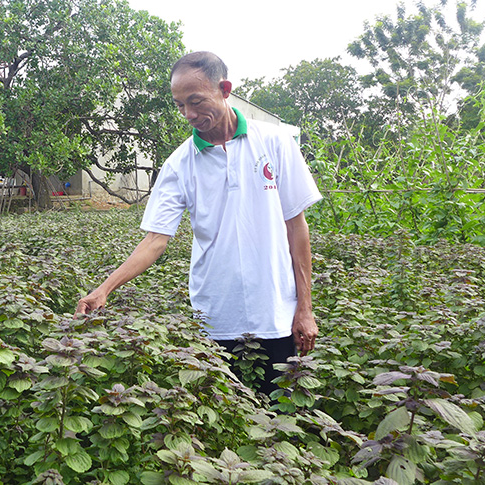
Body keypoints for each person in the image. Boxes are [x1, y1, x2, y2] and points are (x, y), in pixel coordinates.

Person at [75, 51, 323, 397]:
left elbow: (296, 228)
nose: (189, 115)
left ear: (224, 89)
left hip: (276, 315)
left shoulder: (275, 143)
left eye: (195, 101)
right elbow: (155, 240)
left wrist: (305, 309)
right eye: (180, 106)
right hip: (215, 318)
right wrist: (105, 288)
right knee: (222, 426)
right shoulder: (179, 164)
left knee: (281, 416)